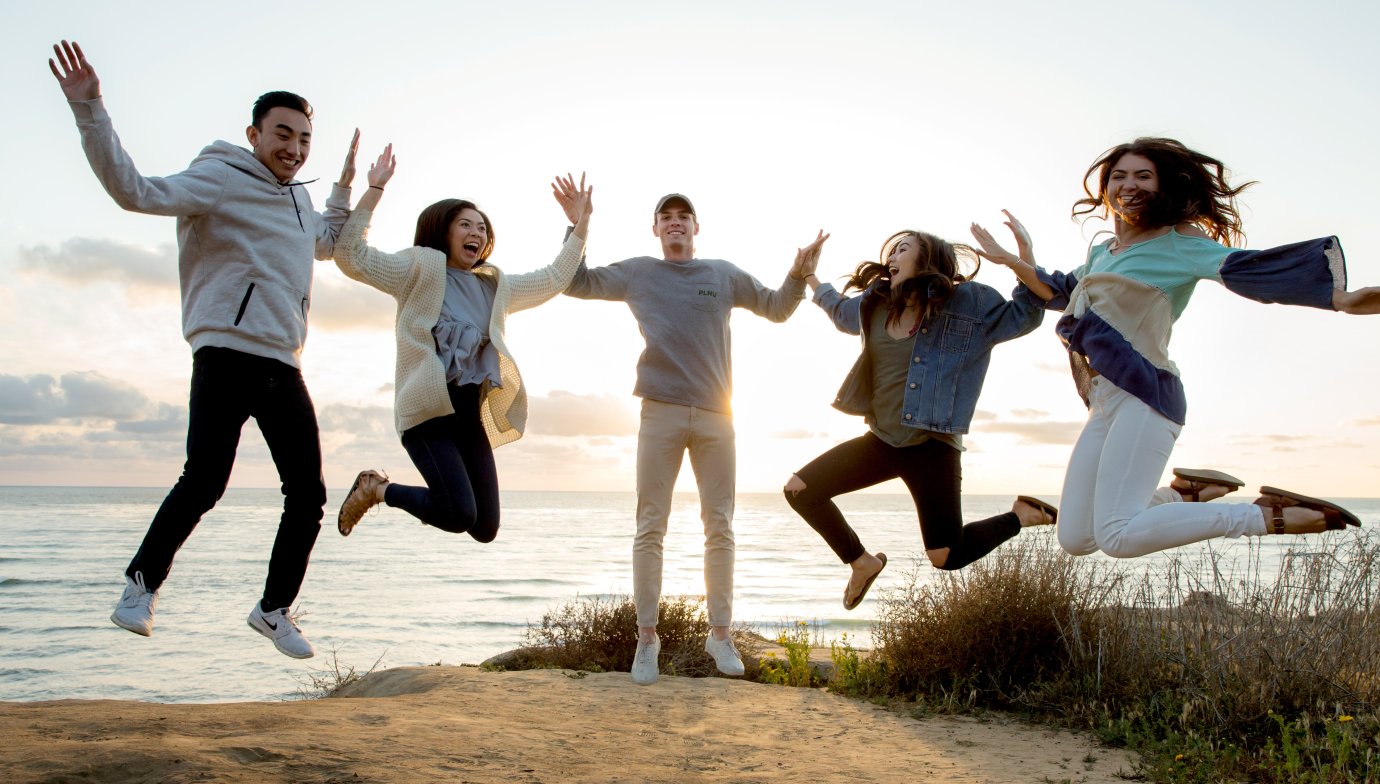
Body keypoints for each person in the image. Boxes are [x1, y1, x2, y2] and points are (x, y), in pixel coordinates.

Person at [48, 40, 363, 659]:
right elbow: (135, 191)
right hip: (225, 353)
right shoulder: (220, 177)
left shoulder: (299, 198)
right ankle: (140, 588)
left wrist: (351, 186)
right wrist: (91, 110)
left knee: (309, 494)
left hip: (284, 363)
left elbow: (325, 242)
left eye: (303, 140)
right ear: (253, 133)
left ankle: (274, 609)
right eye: (282, 135)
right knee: (205, 480)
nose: (294, 149)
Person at [970, 137, 1380, 558]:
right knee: (1076, 538)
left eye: (1143, 175)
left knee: (1118, 537)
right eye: (1119, 175)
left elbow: (1245, 269)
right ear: (1106, 188)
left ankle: (1265, 515)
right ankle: (1184, 494)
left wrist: (1339, 299)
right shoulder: (1103, 253)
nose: (1129, 184)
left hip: (1145, 397)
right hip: (1102, 403)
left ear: (1164, 185)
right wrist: (1017, 260)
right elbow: (1060, 293)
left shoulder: (1181, 245)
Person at [563, 194, 825, 684]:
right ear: (656, 230)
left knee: (720, 524)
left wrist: (797, 274)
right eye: (667, 218)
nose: (675, 223)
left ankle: (719, 635)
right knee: (650, 526)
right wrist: (579, 228)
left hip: (716, 415)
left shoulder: (721, 274)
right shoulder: (639, 272)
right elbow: (575, 282)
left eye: (683, 217)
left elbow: (776, 308)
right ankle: (647, 640)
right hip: (658, 411)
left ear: (696, 227)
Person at [784, 230, 1058, 609]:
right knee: (800, 490)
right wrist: (809, 276)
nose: (892, 255)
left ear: (927, 259)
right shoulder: (873, 305)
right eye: (891, 249)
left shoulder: (968, 305)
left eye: (903, 248)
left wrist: (1022, 259)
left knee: (946, 556)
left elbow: (1026, 315)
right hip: (882, 440)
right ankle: (862, 563)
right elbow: (838, 309)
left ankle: (1020, 516)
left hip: (933, 446)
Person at [331, 152, 593, 542]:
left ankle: (380, 489)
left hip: (469, 419)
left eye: (482, 228)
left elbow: (555, 278)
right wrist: (374, 190)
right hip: (427, 416)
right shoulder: (418, 269)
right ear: (443, 230)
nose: (477, 233)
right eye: (465, 225)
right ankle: (377, 489)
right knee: (457, 513)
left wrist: (580, 225)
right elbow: (351, 257)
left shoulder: (495, 287)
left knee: (484, 527)